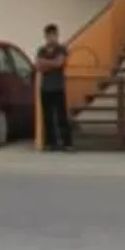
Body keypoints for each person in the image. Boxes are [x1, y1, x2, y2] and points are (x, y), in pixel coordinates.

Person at [36, 24, 73, 153]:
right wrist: (53, 64)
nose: (52, 38)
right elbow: (38, 66)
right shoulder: (41, 50)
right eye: (49, 35)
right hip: (45, 88)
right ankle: (51, 143)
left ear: (57, 35)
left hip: (58, 86)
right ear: (45, 36)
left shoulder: (62, 49)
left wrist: (46, 63)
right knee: (48, 117)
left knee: (61, 116)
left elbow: (60, 63)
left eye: (54, 35)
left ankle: (67, 143)